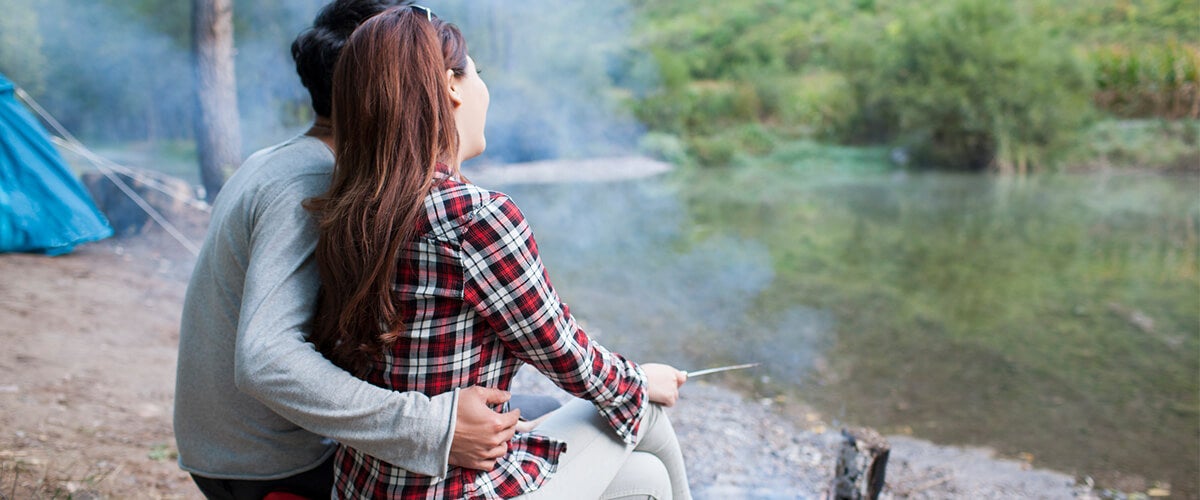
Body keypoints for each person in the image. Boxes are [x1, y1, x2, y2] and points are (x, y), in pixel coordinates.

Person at [305, 6, 692, 499]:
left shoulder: (348, 210)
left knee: (645, 481)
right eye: (477, 74)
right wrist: (642, 379)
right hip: (453, 488)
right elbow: (565, 355)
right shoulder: (473, 216)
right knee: (645, 409)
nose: (484, 90)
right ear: (450, 85)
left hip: (365, 485)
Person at [173, 2, 543, 498]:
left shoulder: (283, 159)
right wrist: (433, 426)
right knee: (545, 427)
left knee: (527, 414)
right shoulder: (312, 182)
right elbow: (266, 358)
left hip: (233, 450)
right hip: (275, 466)